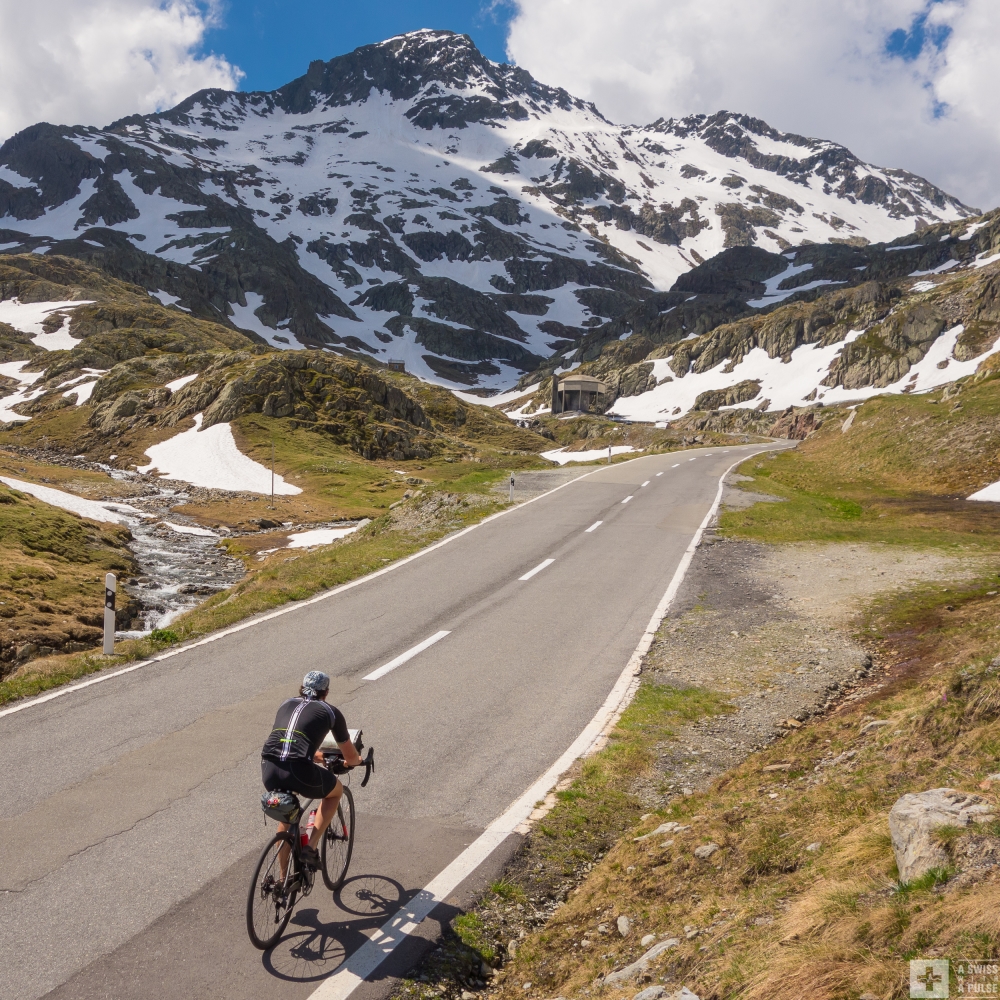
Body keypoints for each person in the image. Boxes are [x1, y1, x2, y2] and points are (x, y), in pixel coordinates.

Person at [261, 670, 362, 869]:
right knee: (336, 792)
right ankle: (311, 847)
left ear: (302, 687)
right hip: (299, 770)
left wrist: (319, 757)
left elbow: (289, 745)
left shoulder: (286, 703)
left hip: (269, 767)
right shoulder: (330, 711)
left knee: (287, 811)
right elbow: (350, 757)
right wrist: (356, 760)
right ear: (326, 692)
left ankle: (283, 881)